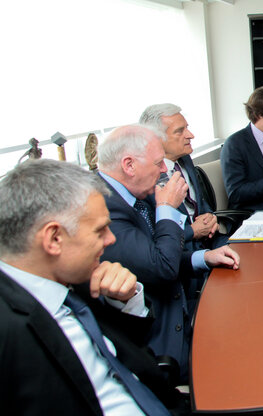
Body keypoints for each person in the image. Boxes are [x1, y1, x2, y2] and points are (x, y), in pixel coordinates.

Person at [0, 159, 186, 414]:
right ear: (54, 238)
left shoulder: (74, 282)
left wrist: (126, 301)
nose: (111, 240)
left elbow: (130, 363)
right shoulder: (10, 332)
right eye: (100, 231)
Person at [98, 125, 240, 380]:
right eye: (157, 163)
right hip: (158, 339)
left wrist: (203, 258)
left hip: (181, 313)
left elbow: (161, 252)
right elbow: (161, 266)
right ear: (129, 165)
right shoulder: (103, 207)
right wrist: (166, 209)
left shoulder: (136, 191)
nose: (165, 169)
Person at [139, 104, 229, 301]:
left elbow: (200, 202)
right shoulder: (146, 178)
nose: (190, 135)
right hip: (182, 258)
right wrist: (193, 231)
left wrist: (210, 217)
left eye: (187, 127)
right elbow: (154, 236)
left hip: (211, 241)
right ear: (155, 139)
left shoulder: (185, 160)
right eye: (180, 131)